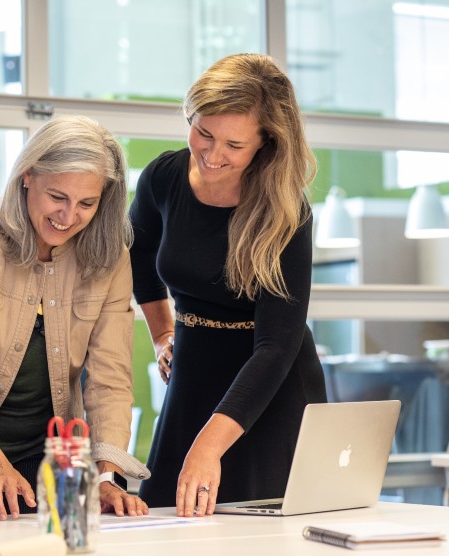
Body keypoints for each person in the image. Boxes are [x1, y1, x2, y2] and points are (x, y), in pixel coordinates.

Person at [0, 115, 150, 521]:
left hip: (54, 451)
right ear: (27, 175)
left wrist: (107, 476)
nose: (68, 216)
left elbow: (111, 377)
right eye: (58, 196)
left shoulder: (110, 257)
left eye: (87, 203)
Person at [129, 53, 328, 517]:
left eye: (234, 146)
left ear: (266, 143)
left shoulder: (286, 210)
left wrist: (208, 446)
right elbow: (139, 257)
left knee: (258, 530)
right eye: (203, 132)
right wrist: (162, 334)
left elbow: (277, 345)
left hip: (270, 387)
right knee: (165, 517)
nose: (213, 155)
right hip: (193, 372)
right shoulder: (164, 177)